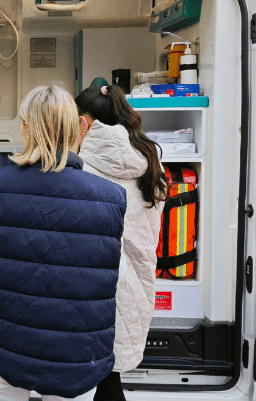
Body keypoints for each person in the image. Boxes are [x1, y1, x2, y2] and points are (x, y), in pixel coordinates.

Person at [0, 84, 126, 401]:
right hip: (77, 353)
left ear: (26, 128)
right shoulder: (109, 197)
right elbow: (112, 273)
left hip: (5, 347)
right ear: (78, 129)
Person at [75, 84, 168, 401]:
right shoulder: (149, 160)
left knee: (96, 380)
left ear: (84, 124)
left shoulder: (83, 168)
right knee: (108, 377)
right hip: (137, 282)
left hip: (98, 288)